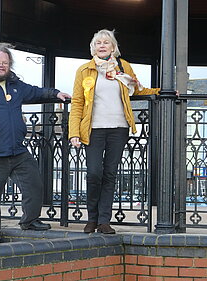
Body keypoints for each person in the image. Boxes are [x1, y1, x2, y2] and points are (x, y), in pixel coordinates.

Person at [0, 43, 71, 244]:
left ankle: (30, 220)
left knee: (34, 184)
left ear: (9, 65)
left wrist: (55, 94)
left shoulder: (15, 85)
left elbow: (36, 92)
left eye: (5, 63)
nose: (1, 66)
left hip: (17, 151)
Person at [69, 29, 159, 234]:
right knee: (93, 174)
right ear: (93, 47)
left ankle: (103, 221)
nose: (102, 45)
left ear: (113, 47)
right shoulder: (84, 70)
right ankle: (91, 218)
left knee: (110, 174)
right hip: (93, 129)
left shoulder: (123, 66)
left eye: (106, 42)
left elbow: (137, 89)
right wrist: (74, 132)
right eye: (98, 42)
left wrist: (161, 92)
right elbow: (77, 103)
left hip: (118, 128)